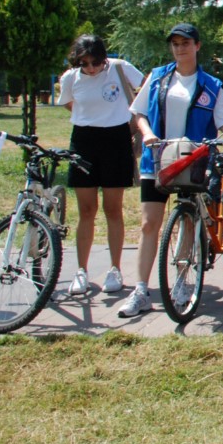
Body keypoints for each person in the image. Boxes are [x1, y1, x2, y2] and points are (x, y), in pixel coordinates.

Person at [125, 24, 223, 318]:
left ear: (197, 46)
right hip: (157, 160)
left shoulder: (212, 85)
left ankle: (181, 282)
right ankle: (140, 288)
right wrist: (148, 133)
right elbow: (138, 113)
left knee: (188, 222)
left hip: (193, 161)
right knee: (149, 224)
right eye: (175, 44)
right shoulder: (157, 77)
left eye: (186, 43)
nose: (180, 48)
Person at [58, 34, 145, 298]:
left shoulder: (119, 67)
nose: (92, 68)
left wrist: (130, 121)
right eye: (85, 63)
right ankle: (81, 270)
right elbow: (68, 104)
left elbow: (147, 88)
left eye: (96, 62)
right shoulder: (70, 78)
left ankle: (115, 269)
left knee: (112, 208)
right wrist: (87, 116)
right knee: (86, 209)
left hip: (116, 139)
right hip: (83, 140)